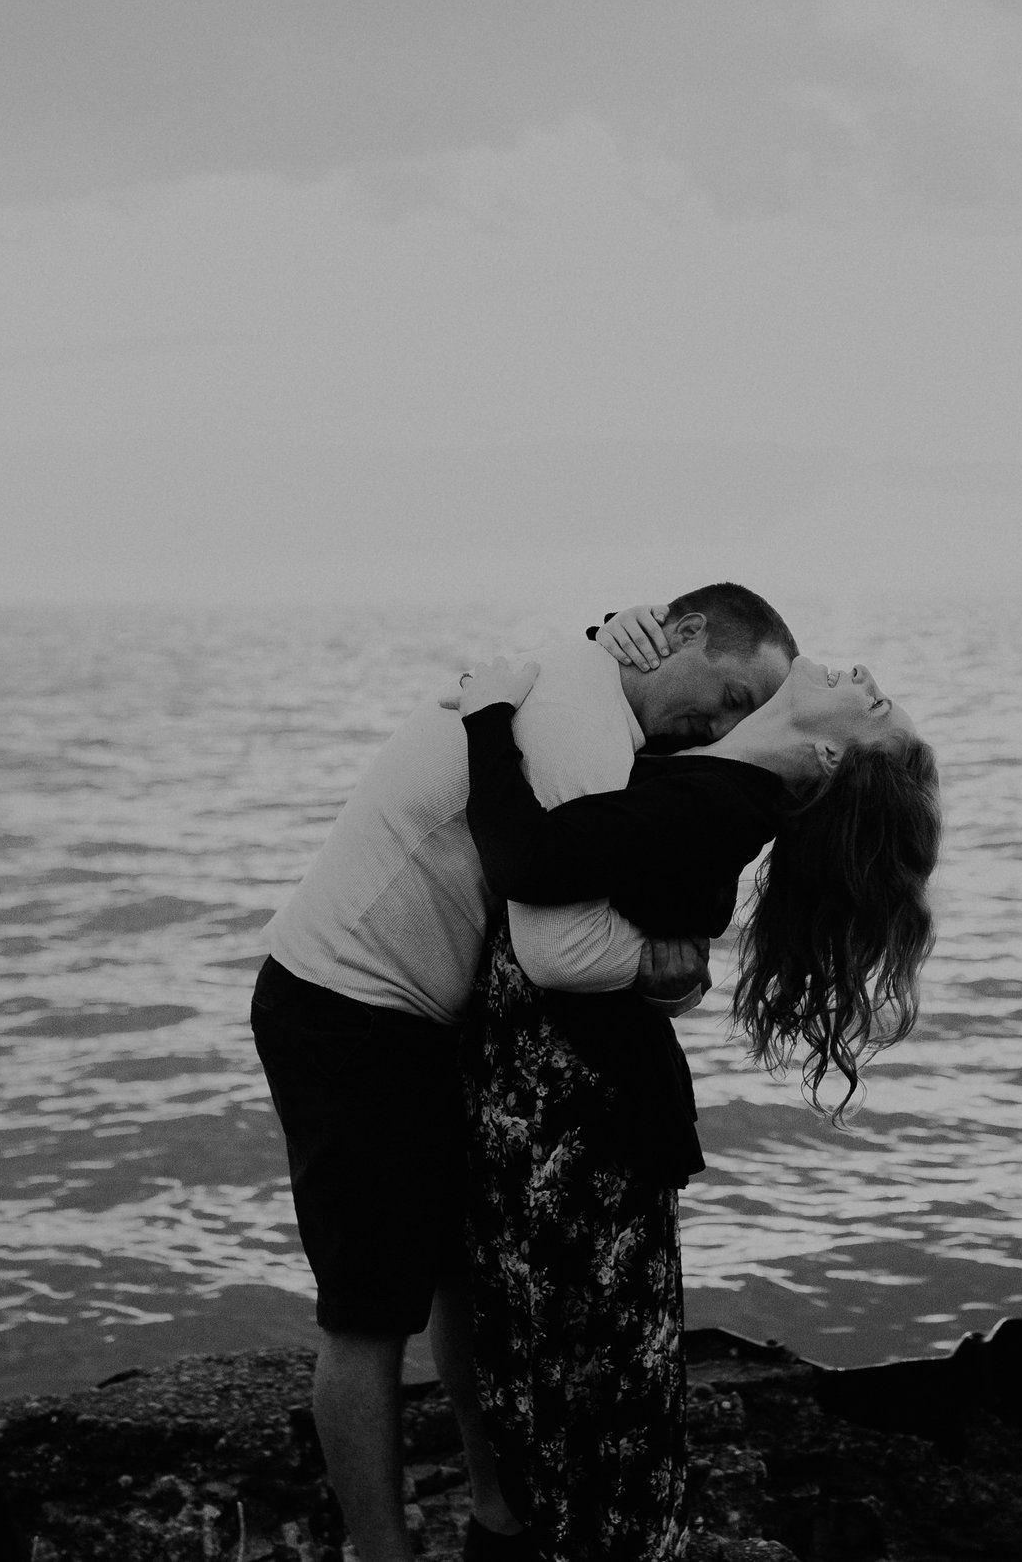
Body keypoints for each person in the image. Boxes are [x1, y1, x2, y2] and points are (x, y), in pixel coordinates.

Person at [248, 585, 799, 1562]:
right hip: (345, 1007)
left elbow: (648, 887)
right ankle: (381, 1549)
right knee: (371, 1311)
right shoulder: (575, 718)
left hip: (428, 1017)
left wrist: (674, 970)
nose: (718, 726)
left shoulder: (603, 702)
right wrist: (656, 967)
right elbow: (562, 945)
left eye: (741, 719)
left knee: (468, 1275)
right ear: (675, 635)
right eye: (724, 693)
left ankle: (497, 1507)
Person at [449, 645, 940, 1562]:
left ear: (827, 761)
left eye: (877, 711)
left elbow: (535, 857)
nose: (870, 676)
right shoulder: (718, 782)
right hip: (570, 1113)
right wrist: (614, 630)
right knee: (594, 1399)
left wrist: (485, 718)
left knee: (587, 1410)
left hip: (573, 1126)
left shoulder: (721, 802)